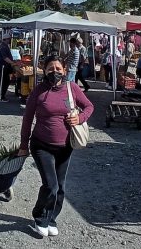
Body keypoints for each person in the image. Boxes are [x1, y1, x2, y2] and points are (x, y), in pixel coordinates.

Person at [17, 55, 94, 238]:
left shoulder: (72, 88)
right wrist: (23, 144)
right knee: (50, 185)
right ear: (44, 70)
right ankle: (40, 217)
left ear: (65, 70)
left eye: (58, 69)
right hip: (41, 145)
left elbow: (89, 106)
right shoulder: (38, 91)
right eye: (51, 69)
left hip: (65, 146)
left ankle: (51, 218)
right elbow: (27, 119)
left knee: (60, 187)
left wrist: (80, 118)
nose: (55, 72)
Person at [0, 33, 17, 102]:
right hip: (3, 66)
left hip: (5, 66)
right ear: (6, 39)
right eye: (9, 39)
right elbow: (5, 58)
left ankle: (1, 95)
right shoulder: (3, 47)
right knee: (3, 81)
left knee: (6, 81)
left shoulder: (5, 46)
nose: (10, 40)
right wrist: (12, 63)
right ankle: (0, 97)